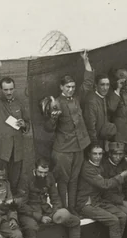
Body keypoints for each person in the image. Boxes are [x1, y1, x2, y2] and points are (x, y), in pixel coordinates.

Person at [44, 70, 91, 210]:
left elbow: (87, 85)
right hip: (63, 149)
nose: (70, 90)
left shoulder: (76, 99)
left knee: (74, 179)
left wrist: (87, 64)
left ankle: (72, 208)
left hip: (79, 146)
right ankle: (64, 209)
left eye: (72, 87)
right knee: (63, 181)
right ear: (61, 87)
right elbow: (48, 128)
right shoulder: (56, 103)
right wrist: (53, 117)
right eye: (67, 87)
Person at [0, 73, 30, 194]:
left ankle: (12, 206)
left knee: (14, 181)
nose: (9, 92)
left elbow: (27, 122)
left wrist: (24, 124)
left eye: (11, 89)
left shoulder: (19, 104)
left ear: (14, 89)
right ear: (1, 90)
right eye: (5, 90)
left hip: (16, 149)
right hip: (0, 149)